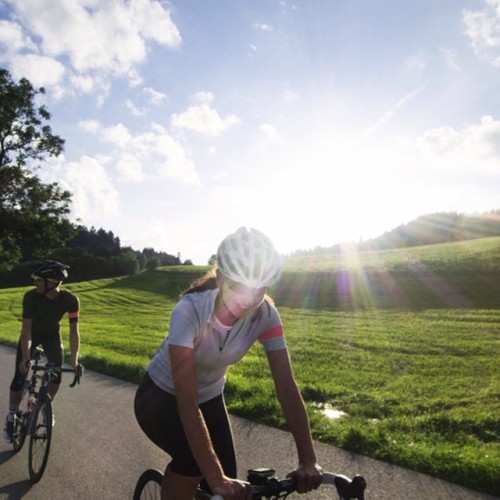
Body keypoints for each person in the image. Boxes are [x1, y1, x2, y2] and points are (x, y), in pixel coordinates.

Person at [134, 227, 323, 500]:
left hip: (210, 397)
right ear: (220, 278)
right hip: (159, 396)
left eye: (259, 290)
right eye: (239, 287)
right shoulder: (189, 310)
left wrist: (308, 459)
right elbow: (186, 402)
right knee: (192, 463)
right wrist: (215, 477)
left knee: (230, 487)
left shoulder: (266, 316)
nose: (248, 301)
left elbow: (286, 387)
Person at [3, 260, 82, 443]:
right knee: (20, 376)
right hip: (33, 335)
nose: (35, 283)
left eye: (39, 279)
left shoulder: (70, 300)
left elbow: (73, 332)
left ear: (52, 282)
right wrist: (25, 357)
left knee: (56, 375)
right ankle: (11, 416)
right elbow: (26, 332)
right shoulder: (30, 297)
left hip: (52, 336)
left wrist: (75, 361)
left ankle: (46, 407)